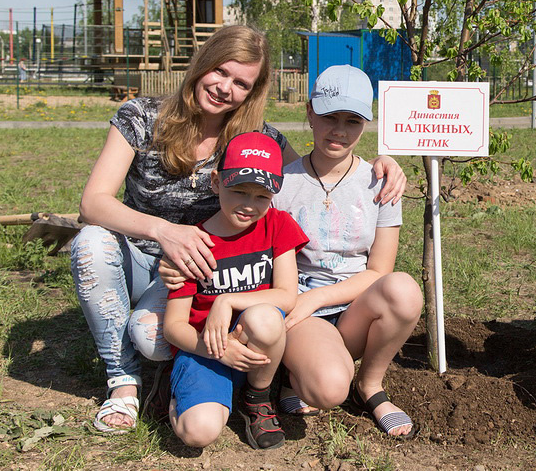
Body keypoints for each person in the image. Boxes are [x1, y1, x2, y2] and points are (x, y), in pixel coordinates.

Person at [70, 25, 405, 434]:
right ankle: (123, 380)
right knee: (90, 244)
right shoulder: (140, 116)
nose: (225, 87)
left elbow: (313, 176)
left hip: (202, 273)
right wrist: (165, 233)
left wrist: (381, 164)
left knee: (152, 338)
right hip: (144, 256)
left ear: (252, 91)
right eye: (220, 71)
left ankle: (210, 376)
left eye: (241, 83)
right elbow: (93, 203)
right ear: (202, 64)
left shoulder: (259, 139)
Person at [272, 65, 421, 437]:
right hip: (303, 311)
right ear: (309, 113)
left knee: (403, 290)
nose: (339, 130)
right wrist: (306, 302)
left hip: (354, 305)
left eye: (352, 120)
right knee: (327, 389)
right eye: (329, 117)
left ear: (366, 123)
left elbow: (379, 271)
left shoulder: (380, 182)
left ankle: (370, 385)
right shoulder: (282, 184)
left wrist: (320, 298)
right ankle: (296, 372)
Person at [164, 131, 307, 450]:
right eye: (239, 191)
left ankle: (257, 398)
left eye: (261, 197)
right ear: (216, 182)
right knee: (197, 433)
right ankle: (172, 392)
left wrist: (227, 301)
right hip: (206, 348)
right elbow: (173, 327)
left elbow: (286, 295)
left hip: (256, 348)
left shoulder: (278, 225)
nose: (249, 205)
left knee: (266, 318)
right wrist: (214, 349)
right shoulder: (193, 242)